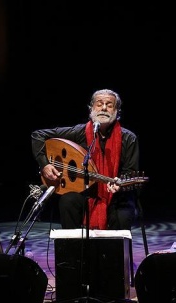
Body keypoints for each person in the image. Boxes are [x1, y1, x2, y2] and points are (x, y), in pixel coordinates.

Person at [31, 89, 140, 230]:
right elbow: (38, 135)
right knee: (68, 201)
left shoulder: (128, 138)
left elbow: (130, 172)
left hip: (117, 196)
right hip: (84, 193)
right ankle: (73, 250)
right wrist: (45, 164)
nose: (104, 108)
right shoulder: (79, 132)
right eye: (99, 104)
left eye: (109, 104)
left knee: (122, 216)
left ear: (117, 111)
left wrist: (119, 185)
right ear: (91, 108)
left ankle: (113, 252)